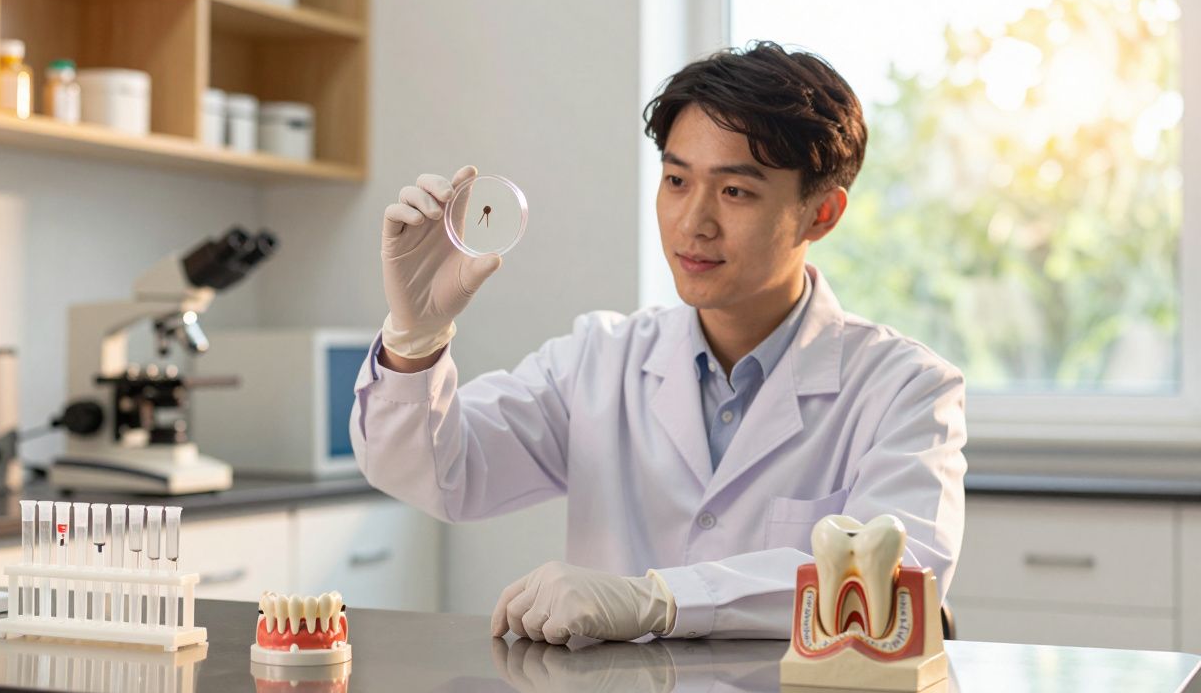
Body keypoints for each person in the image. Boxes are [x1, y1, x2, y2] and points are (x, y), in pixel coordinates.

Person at [350, 41, 966, 644]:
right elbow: (434, 476)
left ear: (821, 214)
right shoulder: (598, 360)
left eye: (735, 191)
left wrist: (660, 600)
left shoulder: (905, 389)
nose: (692, 222)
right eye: (676, 180)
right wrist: (416, 338)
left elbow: (896, 579)